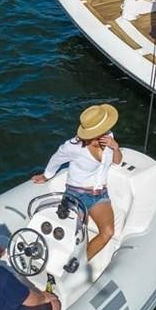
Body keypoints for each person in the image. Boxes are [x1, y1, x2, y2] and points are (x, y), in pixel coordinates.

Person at [32, 103, 121, 260]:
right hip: (76, 194)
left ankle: (81, 263)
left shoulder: (109, 137)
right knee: (75, 237)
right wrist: (46, 175)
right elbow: (56, 158)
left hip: (99, 194)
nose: (107, 130)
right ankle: (66, 262)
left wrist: (115, 147)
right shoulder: (73, 147)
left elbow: (117, 161)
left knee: (108, 232)